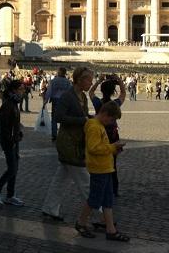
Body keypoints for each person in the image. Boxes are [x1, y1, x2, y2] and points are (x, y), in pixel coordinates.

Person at [42, 67, 103, 222]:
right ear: (80, 80)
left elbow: (81, 116)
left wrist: (90, 117)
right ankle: (100, 217)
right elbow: (58, 116)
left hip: (76, 141)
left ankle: (50, 208)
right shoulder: (67, 96)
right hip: (69, 144)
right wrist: (83, 120)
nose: (91, 82)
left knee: (60, 179)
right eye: (89, 79)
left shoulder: (82, 96)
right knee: (86, 183)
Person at [75, 101, 129, 241]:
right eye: (112, 119)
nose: (112, 122)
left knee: (107, 200)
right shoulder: (94, 127)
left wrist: (114, 149)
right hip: (99, 168)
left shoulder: (98, 125)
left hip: (105, 167)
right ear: (105, 114)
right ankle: (81, 223)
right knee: (94, 199)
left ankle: (111, 230)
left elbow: (100, 146)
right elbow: (93, 148)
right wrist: (112, 147)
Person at [0, 79, 25, 207]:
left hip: (14, 140)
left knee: (14, 168)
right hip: (9, 142)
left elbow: (14, 123)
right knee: (12, 169)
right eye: (21, 89)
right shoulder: (8, 104)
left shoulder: (14, 102)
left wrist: (18, 133)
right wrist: (11, 141)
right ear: (14, 90)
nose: (23, 91)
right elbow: (5, 127)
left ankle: (10, 195)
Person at [89, 75, 126, 196]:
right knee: (113, 163)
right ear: (112, 91)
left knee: (100, 160)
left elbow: (90, 92)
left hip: (100, 134)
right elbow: (123, 94)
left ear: (102, 90)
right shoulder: (114, 104)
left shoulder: (98, 103)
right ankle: (114, 189)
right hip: (113, 135)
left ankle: (99, 186)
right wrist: (120, 81)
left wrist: (98, 81)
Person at [44, 67, 73, 141]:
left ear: (59, 72)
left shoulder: (53, 81)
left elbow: (49, 91)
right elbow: (70, 91)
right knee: (64, 117)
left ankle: (54, 135)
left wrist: (46, 100)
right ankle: (62, 134)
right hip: (64, 100)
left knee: (54, 118)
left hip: (55, 100)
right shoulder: (67, 82)